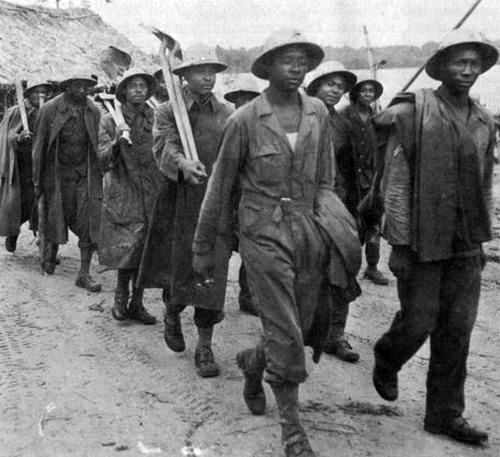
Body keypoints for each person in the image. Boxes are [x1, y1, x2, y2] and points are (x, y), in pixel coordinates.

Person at [193, 29, 361, 457]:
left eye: (304, 60)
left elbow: (326, 179)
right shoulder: (245, 120)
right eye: (288, 59)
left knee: (300, 325)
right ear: (267, 67)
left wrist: (335, 228)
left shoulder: (318, 113)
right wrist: (202, 246)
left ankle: (254, 362)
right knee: (285, 329)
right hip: (262, 231)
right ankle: (292, 430)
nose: (298, 67)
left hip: (308, 229)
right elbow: (220, 186)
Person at [372, 29, 497, 445]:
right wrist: (401, 244)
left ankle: (444, 414)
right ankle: (388, 356)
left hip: (464, 242)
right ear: (441, 67)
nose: (467, 70)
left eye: (474, 64)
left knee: (458, 329)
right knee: (419, 321)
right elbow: (396, 183)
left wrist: (482, 240)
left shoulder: (483, 120)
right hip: (421, 240)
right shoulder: (412, 113)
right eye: (459, 62)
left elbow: (484, 183)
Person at [138, 50, 233, 377]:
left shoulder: (229, 113)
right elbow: (165, 145)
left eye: (212, 71)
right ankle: (171, 313)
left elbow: (234, 155)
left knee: (212, 274)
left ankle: (205, 346)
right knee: (178, 267)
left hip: (215, 203)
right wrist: (182, 164)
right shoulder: (167, 111)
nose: (207, 77)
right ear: (183, 76)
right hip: (177, 198)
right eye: (199, 71)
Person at [305, 61, 360, 363]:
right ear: (315, 84)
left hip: (335, 206)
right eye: (330, 84)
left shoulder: (344, 124)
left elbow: (351, 171)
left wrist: (354, 210)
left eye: (340, 87)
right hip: (301, 205)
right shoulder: (297, 114)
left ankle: (335, 334)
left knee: (342, 268)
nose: (335, 90)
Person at [98, 68, 161, 324]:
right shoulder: (110, 119)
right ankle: (119, 300)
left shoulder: (155, 116)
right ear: (123, 90)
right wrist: (117, 142)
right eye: (133, 85)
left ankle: (138, 302)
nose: (138, 90)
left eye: (142, 86)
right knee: (128, 248)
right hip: (124, 190)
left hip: (151, 190)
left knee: (146, 249)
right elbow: (102, 159)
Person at [32, 73, 102, 292]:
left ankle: (84, 273)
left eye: (86, 86)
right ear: (67, 87)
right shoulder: (50, 109)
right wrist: (37, 180)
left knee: (87, 222)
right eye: (77, 86)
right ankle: (49, 251)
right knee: (55, 217)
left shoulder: (94, 111)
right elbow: (39, 146)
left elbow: (98, 145)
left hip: (84, 175)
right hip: (56, 174)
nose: (82, 90)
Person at [341, 78, 389, 285]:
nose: (368, 94)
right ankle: (346, 268)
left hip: (371, 178)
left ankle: (372, 267)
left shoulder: (377, 117)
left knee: (373, 223)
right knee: (350, 225)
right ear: (356, 93)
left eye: (372, 91)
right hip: (348, 178)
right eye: (364, 90)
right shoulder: (344, 115)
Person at [223, 74, 260, 317]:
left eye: (250, 98)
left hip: (253, 197)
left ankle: (248, 296)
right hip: (228, 195)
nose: (244, 103)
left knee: (252, 248)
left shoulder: (264, 126)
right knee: (222, 246)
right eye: (240, 98)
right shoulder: (227, 124)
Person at [0, 81, 52, 253]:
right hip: (22, 166)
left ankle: (45, 245)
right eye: (36, 92)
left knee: (45, 204)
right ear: (28, 95)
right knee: (22, 203)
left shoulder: (50, 113)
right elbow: (7, 135)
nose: (40, 96)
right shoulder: (16, 112)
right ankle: (13, 233)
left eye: (43, 92)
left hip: (43, 165)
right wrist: (20, 137)